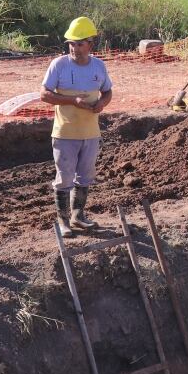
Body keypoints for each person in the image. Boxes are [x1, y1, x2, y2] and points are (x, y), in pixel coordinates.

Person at [40, 17, 112, 237]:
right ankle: (63, 222)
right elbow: (44, 94)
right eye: (72, 43)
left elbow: (107, 91)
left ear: (91, 44)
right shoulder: (59, 65)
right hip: (65, 132)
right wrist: (73, 101)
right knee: (64, 177)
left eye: (80, 43)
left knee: (86, 175)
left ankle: (78, 216)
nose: (75, 48)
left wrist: (102, 103)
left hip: (90, 133)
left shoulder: (99, 66)